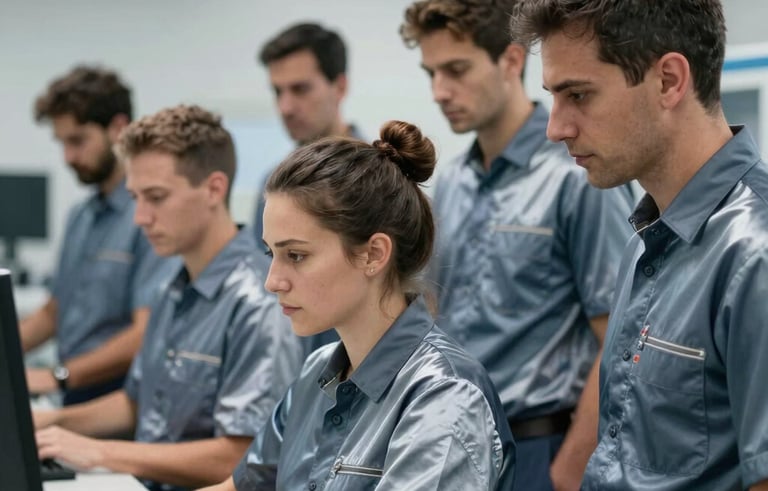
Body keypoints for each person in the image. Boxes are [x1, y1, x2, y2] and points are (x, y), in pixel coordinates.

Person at [508, 1, 768, 490]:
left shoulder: (754, 255)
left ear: (669, 81)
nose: (555, 128)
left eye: (578, 95)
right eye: (554, 98)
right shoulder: (646, 240)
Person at [201, 120, 515, 491]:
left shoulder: (444, 394)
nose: (272, 281)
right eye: (272, 253)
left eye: (296, 255)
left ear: (374, 254)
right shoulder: (317, 372)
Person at [399, 1, 635, 489]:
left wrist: (568, 470)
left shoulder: (578, 176)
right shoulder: (452, 183)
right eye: (431, 73)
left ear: (510, 60)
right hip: (454, 441)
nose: (440, 91)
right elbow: (435, 316)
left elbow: (619, 337)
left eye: (456, 70)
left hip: (540, 447)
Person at [34, 105, 303, 491]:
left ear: (214, 189)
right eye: (135, 197)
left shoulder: (259, 302)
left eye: (156, 197)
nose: (140, 217)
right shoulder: (169, 288)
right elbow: (135, 403)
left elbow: (243, 458)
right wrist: (52, 423)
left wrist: (101, 452)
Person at [25, 65, 176, 405]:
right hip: (70, 397)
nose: (68, 157)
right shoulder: (80, 217)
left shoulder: (149, 220)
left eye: (77, 141)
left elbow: (145, 333)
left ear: (118, 129)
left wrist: (58, 376)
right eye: (62, 143)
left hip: (118, 406)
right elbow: (53, 313)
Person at [252, 22, 364, 356]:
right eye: (278, 92)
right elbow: (264, 295)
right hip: (290, 371)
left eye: (300, 89)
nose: (286, 107)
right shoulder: (271, 188)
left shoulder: (381, 184)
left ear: (339, 86)